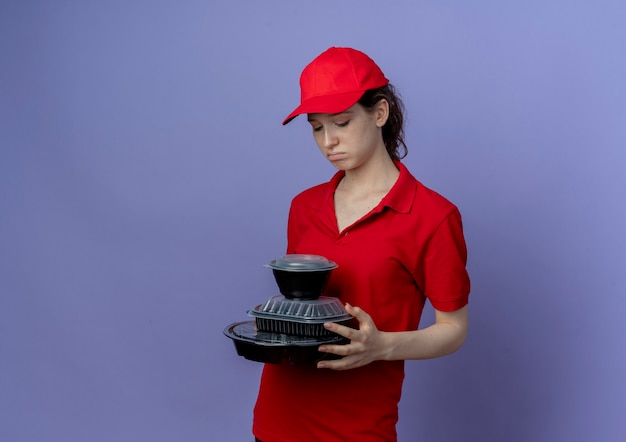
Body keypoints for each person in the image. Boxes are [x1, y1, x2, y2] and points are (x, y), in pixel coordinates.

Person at [253, 47, 470, 442]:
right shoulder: (303, 206)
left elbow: (453, 329)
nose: (328, 141)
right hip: (277, 420)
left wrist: (382, 346)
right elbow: (303, 307)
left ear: (380, 113)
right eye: (317, 127)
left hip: (357, 427)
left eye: (341, 122)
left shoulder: (434, 217)